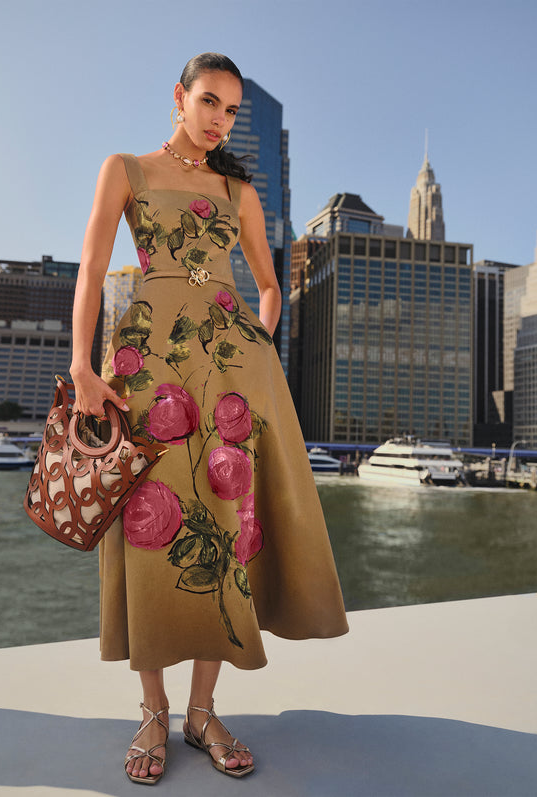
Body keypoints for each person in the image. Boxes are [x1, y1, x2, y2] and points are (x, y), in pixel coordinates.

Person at [70, 52, 348, 785]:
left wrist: (255, 351)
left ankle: (201, 711)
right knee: (148, 528)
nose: (219, 117)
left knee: (223, 529)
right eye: (208, 101)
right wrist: (81, 363)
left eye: (229, 109)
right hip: (143, 367)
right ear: (179, 98)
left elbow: (266, 283)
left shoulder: (237, 190)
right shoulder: (124, 169)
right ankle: (154, 710)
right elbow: (93, 270)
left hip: (226, 370)